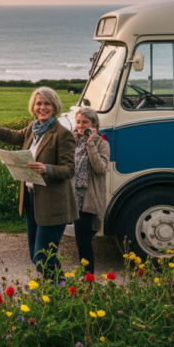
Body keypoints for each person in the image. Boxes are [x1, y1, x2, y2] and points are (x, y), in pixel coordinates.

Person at [0, 87, 77, 277]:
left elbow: (69, 170)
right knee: (36, 254)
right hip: (32, 200)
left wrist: (46, 168)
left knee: (42, 257)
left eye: (47, 103)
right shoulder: (33, 129)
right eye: (38, 103)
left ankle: (55, 289)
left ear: (55, 106)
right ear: (33, 106)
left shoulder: (62, 134)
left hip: (53, 204)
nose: (42, 107)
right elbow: (12, 135)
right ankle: (60, 285)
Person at [70, 107, 110, 274]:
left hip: (87, 198)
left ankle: (88, 276)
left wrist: (91, 143)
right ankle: (83, 275)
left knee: (84, 240)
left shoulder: (102, 144)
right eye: (78, 121)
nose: (80, 125)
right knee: (78, 239)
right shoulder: (70, 140)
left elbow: (101, 168)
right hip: (71, 196)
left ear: (94, 124)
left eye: (85, 122)